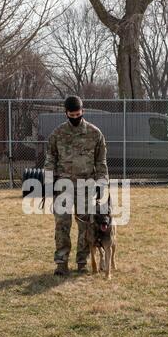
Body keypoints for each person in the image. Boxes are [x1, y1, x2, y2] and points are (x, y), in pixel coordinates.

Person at [44, 95, 109, 276]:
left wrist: (102, 183)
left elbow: (101, 161)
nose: (74, 118)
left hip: (86, 185)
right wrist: (49, 181)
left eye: (77, 114)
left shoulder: (95, 134)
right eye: (71, 115)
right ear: (66, 113)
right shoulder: (57, 134)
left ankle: (82, 261)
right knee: (62, 226)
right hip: (63, 186)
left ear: (83, 112)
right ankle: (61, 263)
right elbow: (50, 158)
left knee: (86, 226)